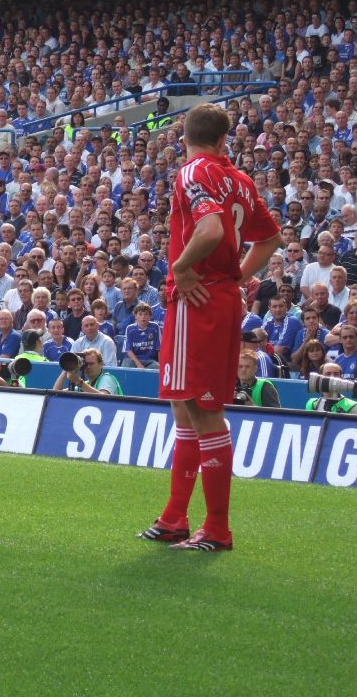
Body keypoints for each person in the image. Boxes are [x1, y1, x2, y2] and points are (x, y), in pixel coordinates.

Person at [142, 103, 281, 552]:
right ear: (224, 140)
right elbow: (271, 238)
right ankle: (175, 518)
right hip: (219, 296)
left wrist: (182, 268)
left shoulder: (193, 171)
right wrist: (237, 277)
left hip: (195, 297)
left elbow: (210, 231)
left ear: (184, 136)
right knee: (186, 407)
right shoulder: (239, 180)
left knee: (202, 410)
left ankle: (217, 528)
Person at [52, 347, 122, 394]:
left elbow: (104, 398)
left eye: (91, 364)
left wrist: (78, 381)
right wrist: (67, 368)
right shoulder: (86, 384)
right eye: (85, 364)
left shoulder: (107, 378)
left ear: (101, 364)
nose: (88, 367)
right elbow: (55, 393)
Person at [122, 302, 161, 369]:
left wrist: (161, 365)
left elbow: (159, 348)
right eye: (140, 314)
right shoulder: (130, 328)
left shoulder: (155, 327)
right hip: (133, 360)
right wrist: (138, 364)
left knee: (157, 367)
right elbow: (128, 350)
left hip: (149, 361)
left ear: (150, 316)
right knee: (126, 365)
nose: (143, 317)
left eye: (146, 314)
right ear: (135, 316)